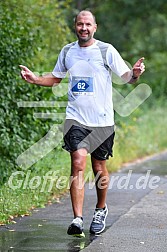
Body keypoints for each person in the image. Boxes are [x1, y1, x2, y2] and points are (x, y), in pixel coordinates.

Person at [20, 10, 145, 238]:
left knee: (99, 168)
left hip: (102, 120)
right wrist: (36, 79)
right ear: (75, 26)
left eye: (88, 24)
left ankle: (100, 209)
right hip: (76, 117)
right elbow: (56, 78)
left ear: (95, 27)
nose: (84, 28)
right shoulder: (68, 51)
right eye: (80, 24)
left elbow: (126, 77)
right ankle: (77, 218)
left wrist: (135, 74)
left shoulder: (106, 50)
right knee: (78, 162)